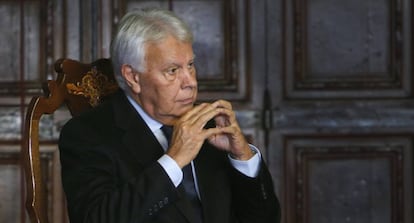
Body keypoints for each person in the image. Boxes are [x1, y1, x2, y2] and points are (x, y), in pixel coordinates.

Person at [58, 8, 280, 223]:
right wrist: (174, 160)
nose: (191, 82)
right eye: (172, 71)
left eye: (190, 65)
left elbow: (265, 219)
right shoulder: (87, 134)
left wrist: (243, 158)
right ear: (133, 77)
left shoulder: (211, 125)